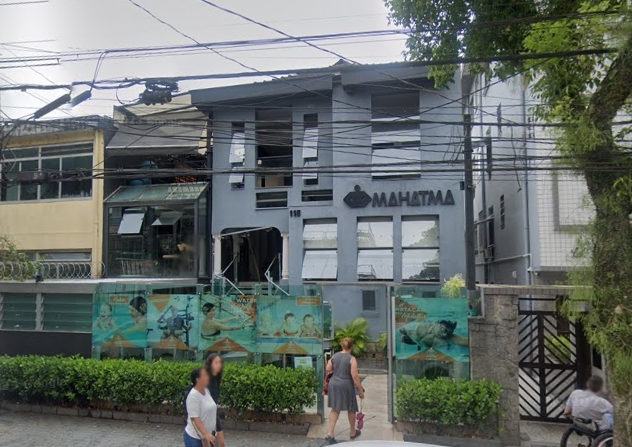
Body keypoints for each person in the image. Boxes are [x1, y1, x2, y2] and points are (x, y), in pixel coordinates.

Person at [325, 337, 364, 444]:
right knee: (351, 408)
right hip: (346, 385)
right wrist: (360, 391)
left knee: (335, 409)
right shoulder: (352, 359)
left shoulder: (335, 356)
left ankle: (330, 434)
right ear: (352, 347)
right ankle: (352, 432)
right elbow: (355, 376)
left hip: (334, 384)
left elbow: (328, 369)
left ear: (342, 346)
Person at [184, 367, 217, 447]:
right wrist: (205, 435)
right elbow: (195, 418)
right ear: (198, 380)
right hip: (195, 438)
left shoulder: (206, 390)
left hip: (208, 436)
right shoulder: (193, 396)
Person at [205, 354, 226, 447]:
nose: (219, 365)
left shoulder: (217, 378)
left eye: (220, 363)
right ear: (210, 364)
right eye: (216, 363)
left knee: (220, 443)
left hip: (213, 414)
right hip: (205, 416)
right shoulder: (205, 378)